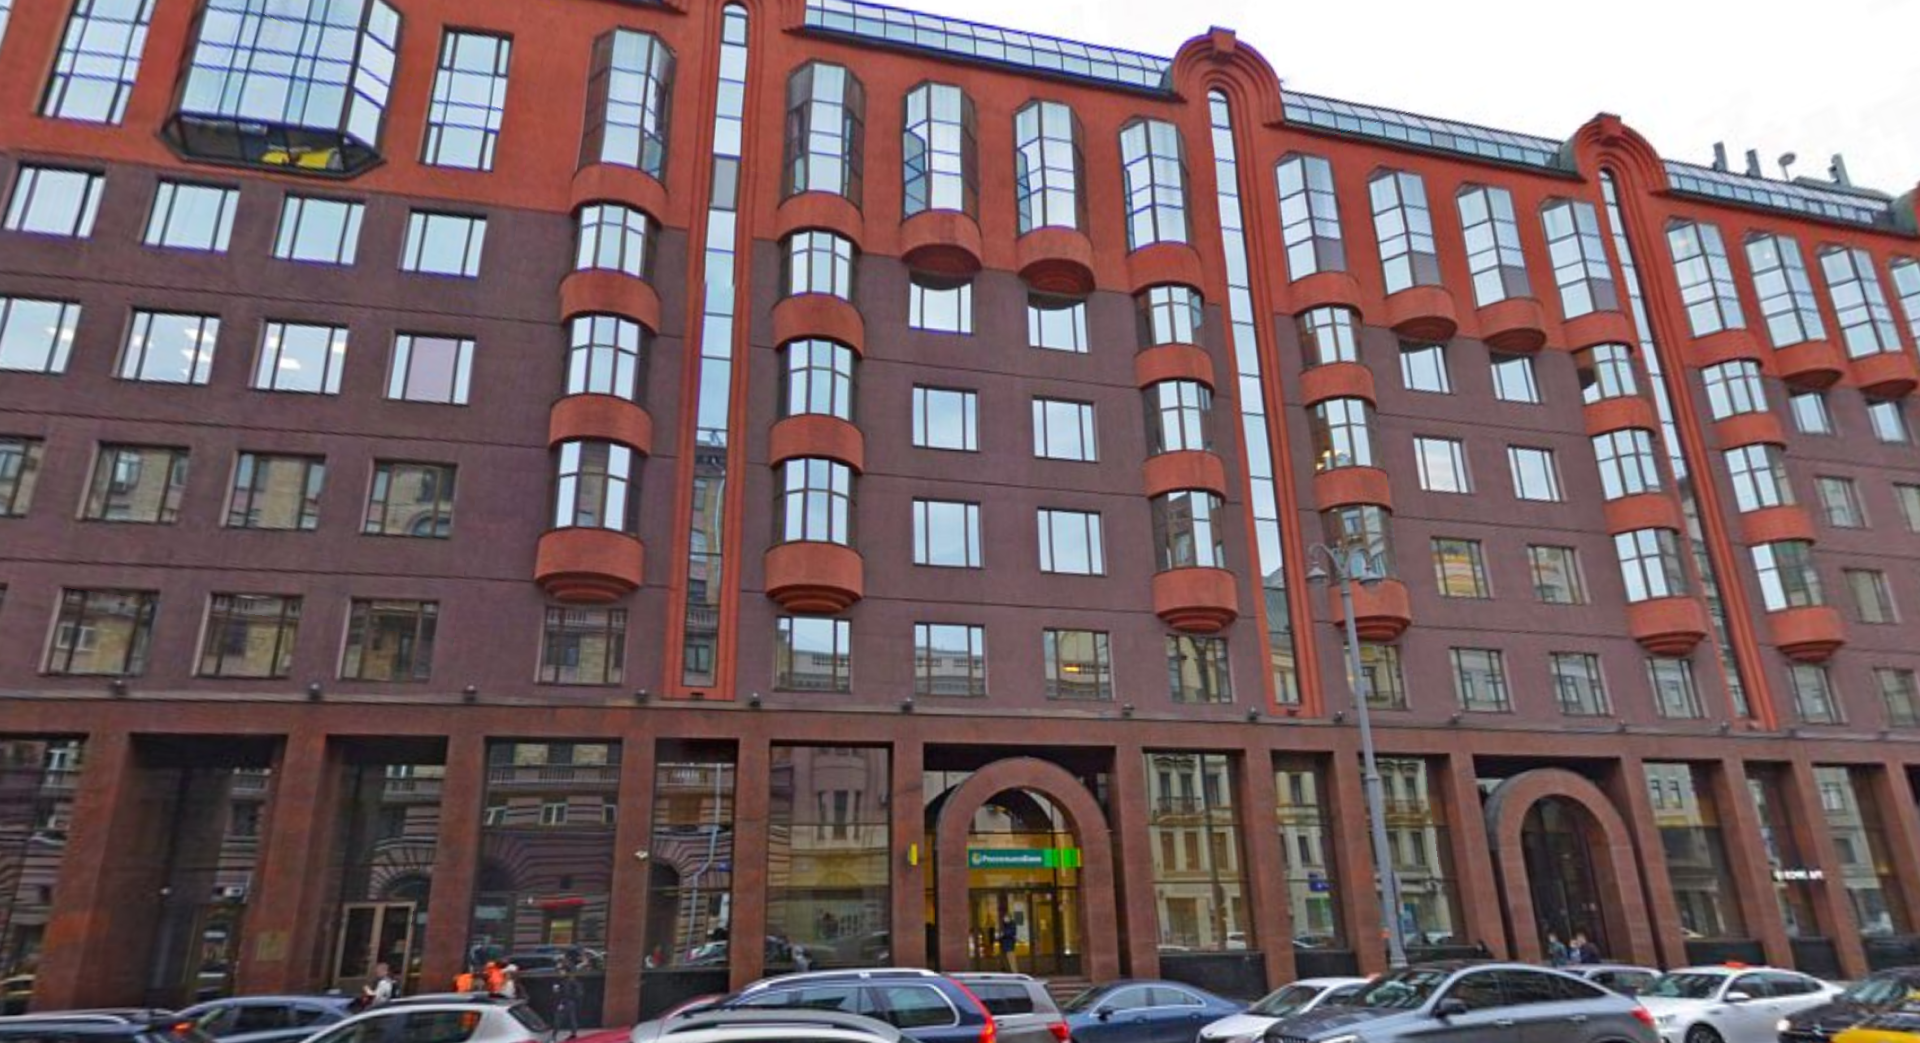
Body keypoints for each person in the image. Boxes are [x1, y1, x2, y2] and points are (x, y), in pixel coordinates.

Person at [552, 962, 583, 1042]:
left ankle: (553, 1037)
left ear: (566, 971)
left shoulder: (565, 981)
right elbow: (579, 993)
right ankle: (573, 1035)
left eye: (561, 971)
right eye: (559, 971)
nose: (559, 972)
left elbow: (564, 993)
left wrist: (561, 1003)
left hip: (565, 1002)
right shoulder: (571, 980)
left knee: (558, 1020)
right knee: (572, 1019)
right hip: (571, 1002)